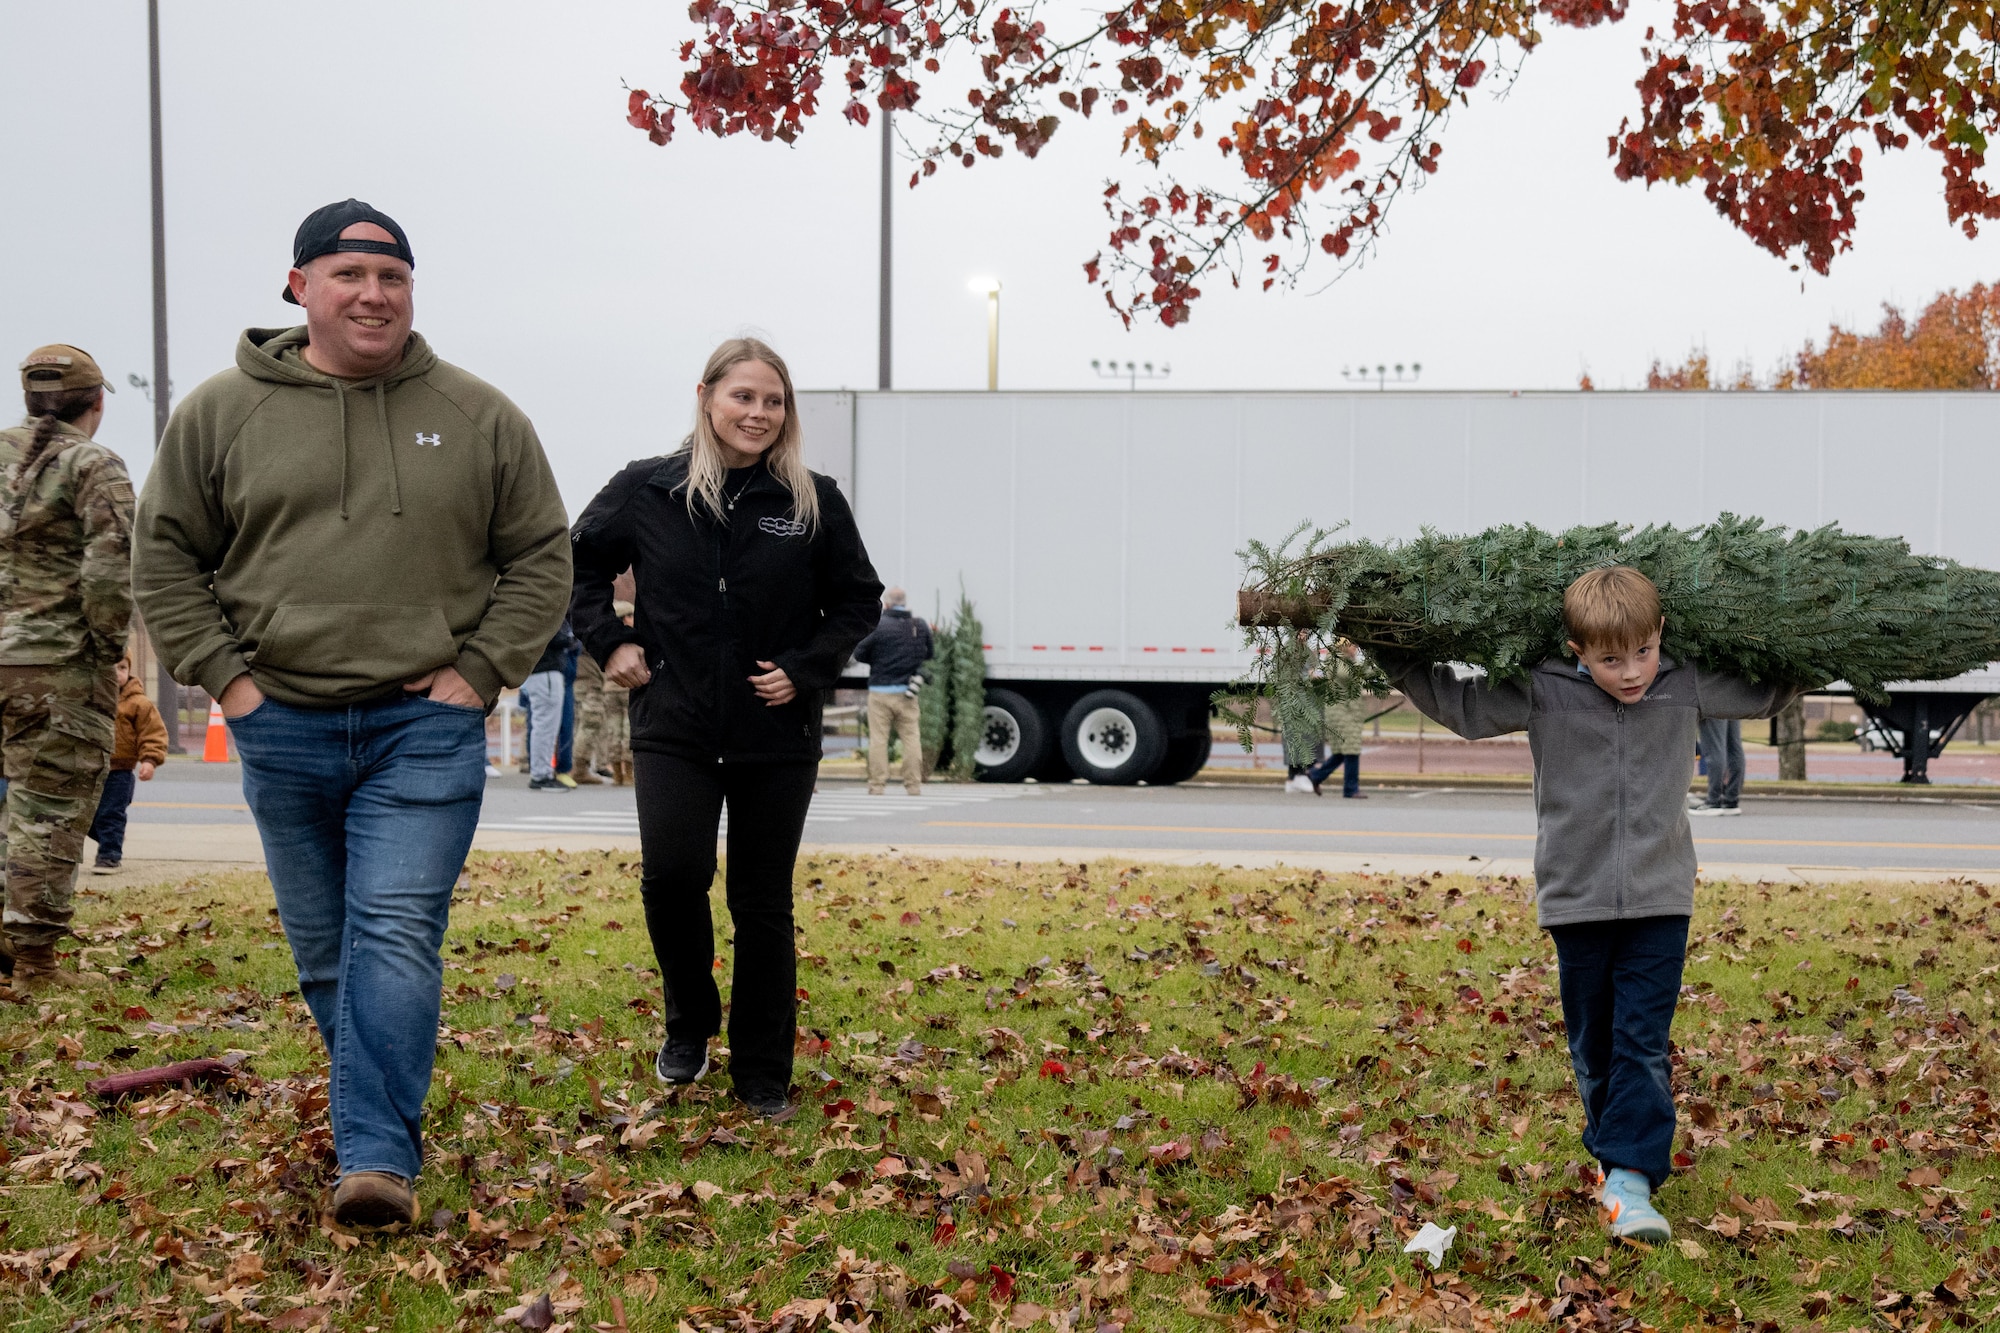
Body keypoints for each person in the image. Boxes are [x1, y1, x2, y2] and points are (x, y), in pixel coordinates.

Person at [132, 199, 571, 1230]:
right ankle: (377, 1110)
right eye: (348, 276)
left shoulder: (478, 415)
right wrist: (229, 684)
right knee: (327, 951)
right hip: (279, 721)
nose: (373, 295)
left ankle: (375, 1160)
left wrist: (480, 669)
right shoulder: (219, 412)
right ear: (300, 287)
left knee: (395, 930)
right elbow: (165, 555)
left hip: (422, 726)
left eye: (393, 279)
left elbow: (542, 554)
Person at [1374, 566, 1806, 1243]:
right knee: (1595, 1045)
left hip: (1662, 896)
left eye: (1643, 651)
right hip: (1575, 900)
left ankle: (1630, 1179)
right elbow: (1461, 708)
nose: (1632, 671)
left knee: (1641, 1039)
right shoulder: (1544, 688)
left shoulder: (1683, 682)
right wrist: (1385, 646)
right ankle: (1618, 1162)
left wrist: (1830, 645)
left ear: (1660, 634)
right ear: (1578, 650)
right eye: (1610, 659)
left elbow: (1770, 691)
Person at [570, 337, 882, 1122]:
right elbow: (573, 565)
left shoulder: (811, 498)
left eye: (773, 401)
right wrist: (613, 641)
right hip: (673, 721)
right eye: (744, 396)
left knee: (761, 900)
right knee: (671, 880)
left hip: (775, 730)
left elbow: (857, 600)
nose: (759, 413)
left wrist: (806, 667)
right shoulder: (649, 488)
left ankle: (763, 1068)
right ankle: (690, 1023)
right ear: (707, 395)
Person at [0, 345, 133, 992]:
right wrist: (109, 648)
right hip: (55, 665)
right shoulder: (94, 463)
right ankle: (33, 963)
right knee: (48, 807)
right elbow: (110, 571)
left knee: (12, 809)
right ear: (97, 403)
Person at [90, 652, 168, 873]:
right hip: (90, 769)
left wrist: (149, 760)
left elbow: (152, 733)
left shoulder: (138, 703)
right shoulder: (91, 700)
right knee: (86, 816)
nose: (117, 673)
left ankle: (109, 856)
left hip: (119, 771)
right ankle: (112, 835)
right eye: (111, 668)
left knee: (111, 813)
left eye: (122, 668)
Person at [852, 587, 931, 796]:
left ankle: (877, 785)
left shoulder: (878, 626)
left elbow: (859, 653)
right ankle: (913, 786)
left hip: (880, 692)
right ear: (904, 603)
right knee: (911, 738)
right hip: (908, 692)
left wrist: (878, 659)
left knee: (879, 740)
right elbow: (929, 652)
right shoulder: (919, 625)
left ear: (886, 604)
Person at [572, 600, 634, 785]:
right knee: (616, 727)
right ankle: (583, 768)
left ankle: (614, 771)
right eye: (629, 616)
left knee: (610, 729)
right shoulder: (622, 637)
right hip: (601, 686)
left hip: (603, 687)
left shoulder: (596, 636)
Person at [1304, 642, 1371, 798]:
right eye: (1352, 644)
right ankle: (1350, 788)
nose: (1355, 647)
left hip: (1349, 712)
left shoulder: (1347, 661)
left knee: (1343, 752)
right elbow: (1347, 675)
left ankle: (1316, 775)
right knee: (1351, 751)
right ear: (1343, 645)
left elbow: (1366, 674)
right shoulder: (1336, 660)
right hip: (1341, 712)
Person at [523, 623, 575, 792]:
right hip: (546, 670)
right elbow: (557, 637)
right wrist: (569, 638)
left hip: (539, 671)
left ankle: (542, 772)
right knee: (546, 726)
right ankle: (541, 775)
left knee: (544, 726)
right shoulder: (546, 612)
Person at [1690, 717, 1743, 815]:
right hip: (1735, 703)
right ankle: (1731, 799)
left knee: (1714, 748)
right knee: (1734, 747)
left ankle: (1714, 800)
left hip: (1714, 704)